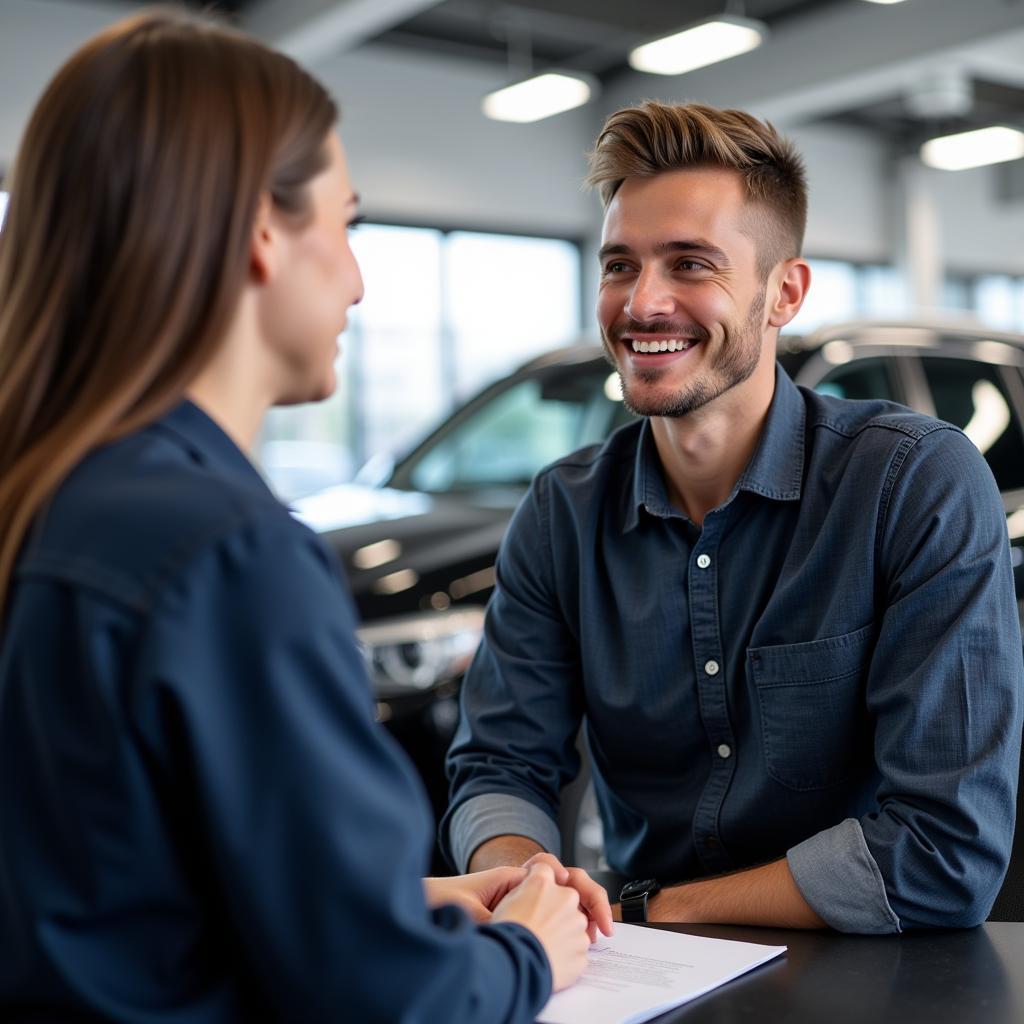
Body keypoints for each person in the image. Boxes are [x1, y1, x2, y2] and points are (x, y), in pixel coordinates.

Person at [0, 12, 612, 1022]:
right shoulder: (226, 555)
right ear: (258, 235)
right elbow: (384, 1000)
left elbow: (116, 892)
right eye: (347, 224)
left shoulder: (54, 503)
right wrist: (522, 954)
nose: (360, 279)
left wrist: (403, 903)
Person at [443, 100, 1023, 933]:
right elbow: (499, 762)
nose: (641, 304)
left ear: (783, 292)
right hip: (632, 969)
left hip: (869, 972)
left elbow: (944, 851)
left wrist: (645, 909)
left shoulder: (911, 484)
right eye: (618, 265)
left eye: (689, 264)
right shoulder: (562, 511)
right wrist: (518, 879)